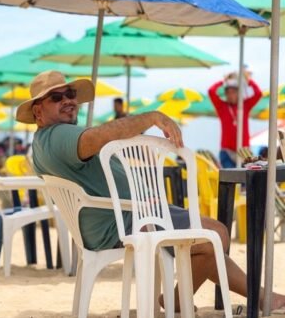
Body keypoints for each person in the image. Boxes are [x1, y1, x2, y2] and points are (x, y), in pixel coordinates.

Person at [17, 70, 285, 312]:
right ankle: (183, 300)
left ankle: (258, 297)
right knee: (216, 234)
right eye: (56, 97)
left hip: (120, 217)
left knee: (208, 241)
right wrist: (153, 117)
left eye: (70, 93)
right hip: (122, 221)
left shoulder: (44, 142)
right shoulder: (59, 136)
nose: (68, 100)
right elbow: (98, 137)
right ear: (38, 112)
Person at [208, 71, 262, 168]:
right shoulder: (222, 106)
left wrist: (248, 80)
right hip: (227, 151)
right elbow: (211, 91)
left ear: (238, 93)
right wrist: (224, 81)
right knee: (231, 180)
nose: (230, 95)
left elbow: (258, 93)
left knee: (247, 180)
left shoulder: (245, 105)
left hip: (244, 150)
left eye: (233, 92)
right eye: (228, 92)